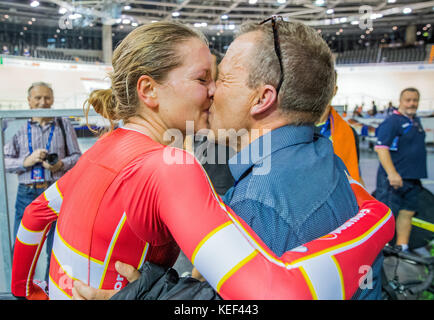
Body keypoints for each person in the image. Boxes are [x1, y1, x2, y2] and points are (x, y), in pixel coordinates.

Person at [11, 21, 393, 301]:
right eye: (204, 78)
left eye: (221, 78)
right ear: (148, 90)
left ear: (262, 99)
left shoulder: (257, 204)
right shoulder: (324, 156)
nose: (211, 92)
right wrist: (377, 222)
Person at [4, 81, 81, 282]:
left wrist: (60, 164)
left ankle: (49, 288)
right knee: (22, 245)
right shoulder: (17, 126)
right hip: (26, 194)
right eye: (37, 98)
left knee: (56, 247)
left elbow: (77, 156)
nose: (43, 102)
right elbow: (5, 161)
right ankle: (21, 288)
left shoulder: (63, 124)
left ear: (53, 99)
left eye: (47, 97)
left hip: (56, 193)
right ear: (29, 101)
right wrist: (26, 161)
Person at [375, 87, 427, 253]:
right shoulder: (392, 122)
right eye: (408, 100)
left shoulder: (415, 121)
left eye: (415, 100)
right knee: (387, 216)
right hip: (394, 179)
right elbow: (381, 148)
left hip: (412, 178)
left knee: (407, 213)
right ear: (400, 101)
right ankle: (382, 249)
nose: (412, 103)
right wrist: (392, 173)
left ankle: (402, 247)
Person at [315, 70, 363, 185]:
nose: (320, 90)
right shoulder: (291, 128)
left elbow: (355, 173)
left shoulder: (349, 133)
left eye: (326, 85)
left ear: (334, 90)